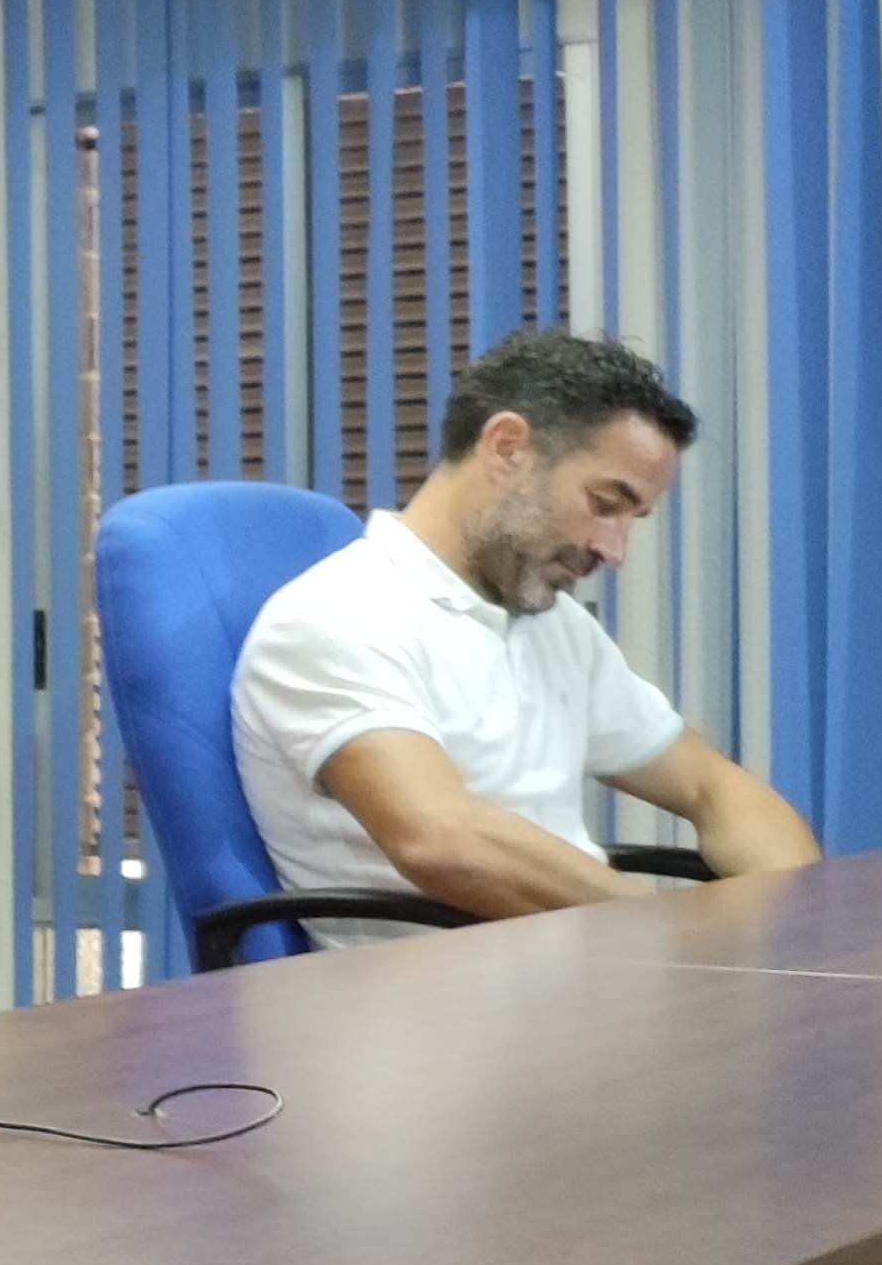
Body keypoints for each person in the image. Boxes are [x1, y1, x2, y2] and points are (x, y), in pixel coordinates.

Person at [233, 329, 818, 947]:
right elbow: (439, 837)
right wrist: (676, 936)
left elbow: (711, 787)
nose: (614, 551)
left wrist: (803, 923)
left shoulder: (552, 625)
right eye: (604, 503)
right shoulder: (339, 617)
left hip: (577, 982)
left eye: (632, 518)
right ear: (507, 447)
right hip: (429, 1017)